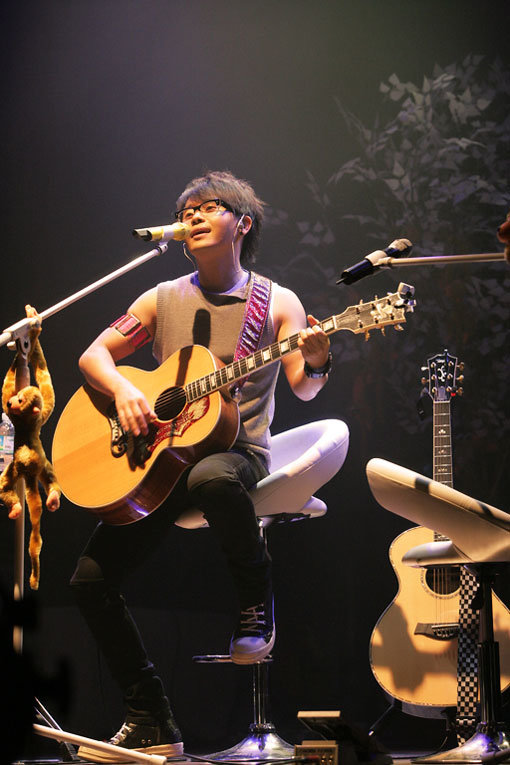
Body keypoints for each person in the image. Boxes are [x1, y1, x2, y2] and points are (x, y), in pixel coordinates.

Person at [71, 170, 332, 761]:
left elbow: (305, 386)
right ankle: (150, 717)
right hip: (162, 462)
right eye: (185, 210)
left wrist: (317, 361)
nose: (192, 215)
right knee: (89, 581)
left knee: (211, 475)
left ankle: (255, 602)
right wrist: (126, 391)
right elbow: (94, 355)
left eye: (208, 207)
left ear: (243, 224)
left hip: (238, 458)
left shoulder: (277, 302)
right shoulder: (160, 298)